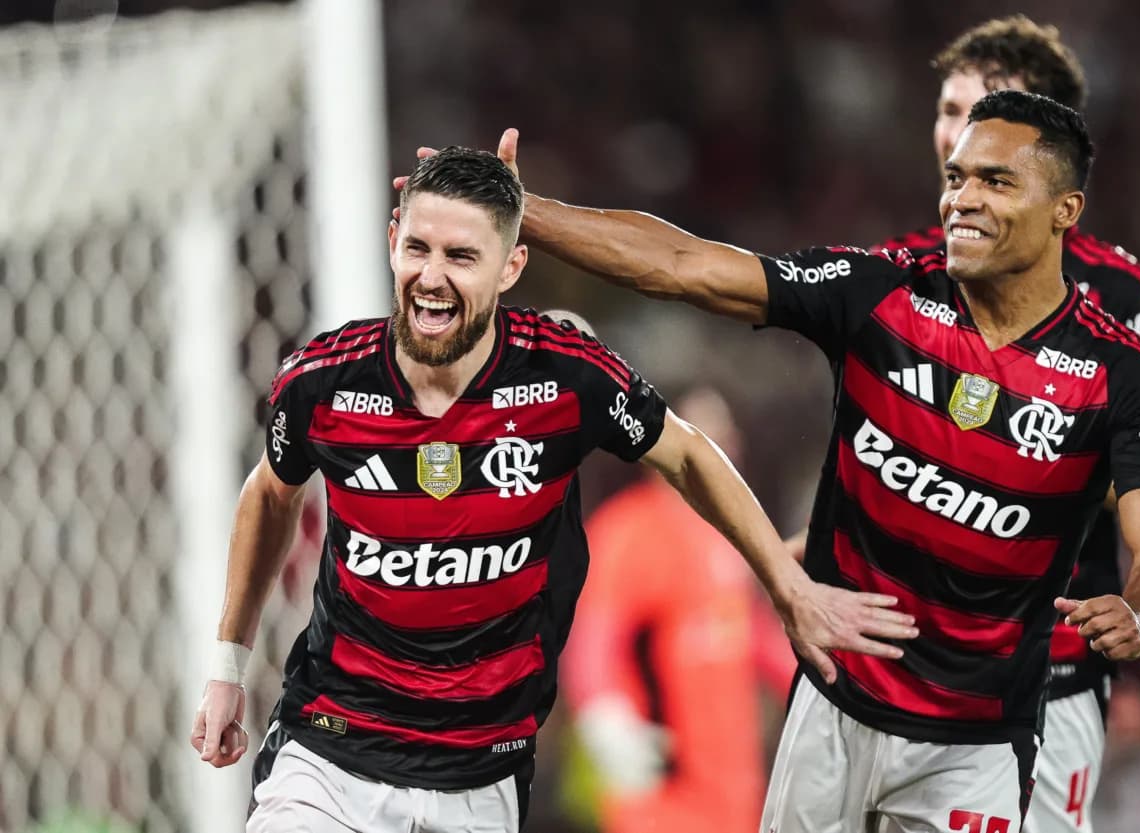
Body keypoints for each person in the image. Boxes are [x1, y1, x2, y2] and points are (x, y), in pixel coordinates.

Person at [431, 90, 1140, 830]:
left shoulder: (1122, 374)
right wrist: (521, 213)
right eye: (956, 177)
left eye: (997, 181)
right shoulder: (885, 293)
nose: (963, 198)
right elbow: (682, 264)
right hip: (836, 700)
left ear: (1066, 210)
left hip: (978, 737)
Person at [187, 147, 918, 833]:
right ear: (392, 241)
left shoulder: (566, 376)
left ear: (511, 266)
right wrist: (227, 666)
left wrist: (786, 585)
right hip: (331, 750)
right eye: (419, 248)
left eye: (462, 256)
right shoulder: (321, 380)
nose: (432, 276)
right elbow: (270, 495)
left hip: (478, 779)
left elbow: (690, 457)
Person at [874, 17, 1140, 832]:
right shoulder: (900, 273)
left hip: (1047, 666)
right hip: (892, 669)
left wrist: (1021, 481)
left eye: (980, 110)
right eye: (948, 110)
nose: (958, 132)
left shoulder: (1122, 294)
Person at [561, 385, 795, 833]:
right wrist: (606, 719)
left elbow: (752, 633)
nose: (720, 448)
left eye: (725, 435)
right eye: (704, 434)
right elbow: (594, 639)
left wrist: (833, 687)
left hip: (735, 791)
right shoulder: (628, 530)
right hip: (663, 790)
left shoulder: (733, 534)